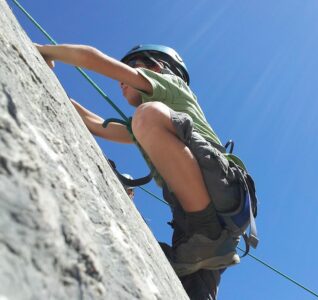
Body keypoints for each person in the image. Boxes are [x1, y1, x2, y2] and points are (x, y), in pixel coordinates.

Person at [36, 43, 256, 298]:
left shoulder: (172, 87)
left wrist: (42, 49)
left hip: (216, 192)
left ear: (159, 67)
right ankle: (204, 244)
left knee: (147, 115)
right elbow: (96, 125)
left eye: (134, 66)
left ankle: (206, 234)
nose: (123, 79)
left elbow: (97, 60)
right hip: (204, 227)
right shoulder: (149, 125)